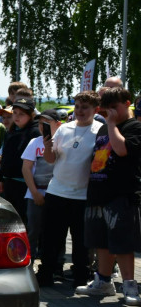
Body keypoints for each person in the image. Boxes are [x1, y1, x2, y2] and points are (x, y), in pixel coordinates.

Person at [76, 87, 141, 305]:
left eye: (115, 108)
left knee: (122, 242)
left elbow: (122, 150)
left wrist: (112, 124)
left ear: (127, 103)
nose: (110, 113)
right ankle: (103, 282)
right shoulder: (104, 128)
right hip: (98, 191)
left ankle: (130, 285)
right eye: (107, 109)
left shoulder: (134, 127)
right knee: (100, 240)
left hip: (121, 194)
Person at [36, 91, 102, 289]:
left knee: (81, 241)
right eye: (78, 107)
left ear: (95, 110)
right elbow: (51, 159)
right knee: (51, 238)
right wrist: (48, 147)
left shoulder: (101, 130)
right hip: (57, 191)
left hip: (83, 194)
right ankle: (46, 274)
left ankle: (81, 276)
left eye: (85, 107)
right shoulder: (64, 129)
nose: (80, 111)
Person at [22, 109, 62, 258]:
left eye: (46, 123)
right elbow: (26, 168)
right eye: (39, 123)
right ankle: (29, 260)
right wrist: (34, 192)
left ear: (58, 124)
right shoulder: (35, 142)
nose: (41, 126)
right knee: (33, 230)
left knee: (55, 231)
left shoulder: (63, 141)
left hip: (57, 193)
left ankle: (56, 264)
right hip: (35, 194)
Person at [0, 97, 39, 225]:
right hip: (9, 181)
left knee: (24, 220)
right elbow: (6, 156)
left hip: (25, 184)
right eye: (15, 113)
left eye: (22, 114)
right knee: (11, 219)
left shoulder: (35, 132)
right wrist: (1, 178)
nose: (17, 117)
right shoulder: (10, 131)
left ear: (31, 115)